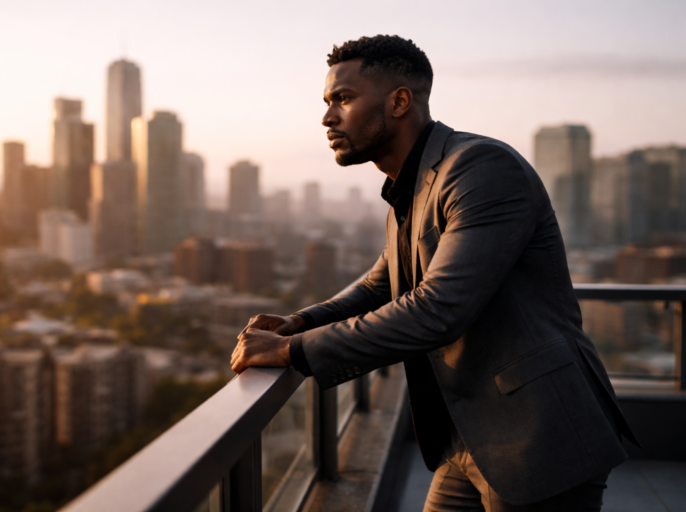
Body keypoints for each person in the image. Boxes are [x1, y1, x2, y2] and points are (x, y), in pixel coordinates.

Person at [230, 35, 637, 511]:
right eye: (327, 102)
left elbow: (439, 309)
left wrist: (293, 352)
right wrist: (298, 322)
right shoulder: (409, 186)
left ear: (400, 100)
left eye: (343, 98)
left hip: (538, 431)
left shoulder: (480, 168)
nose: (327, 117)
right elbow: (380, 285)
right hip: (467, 437)